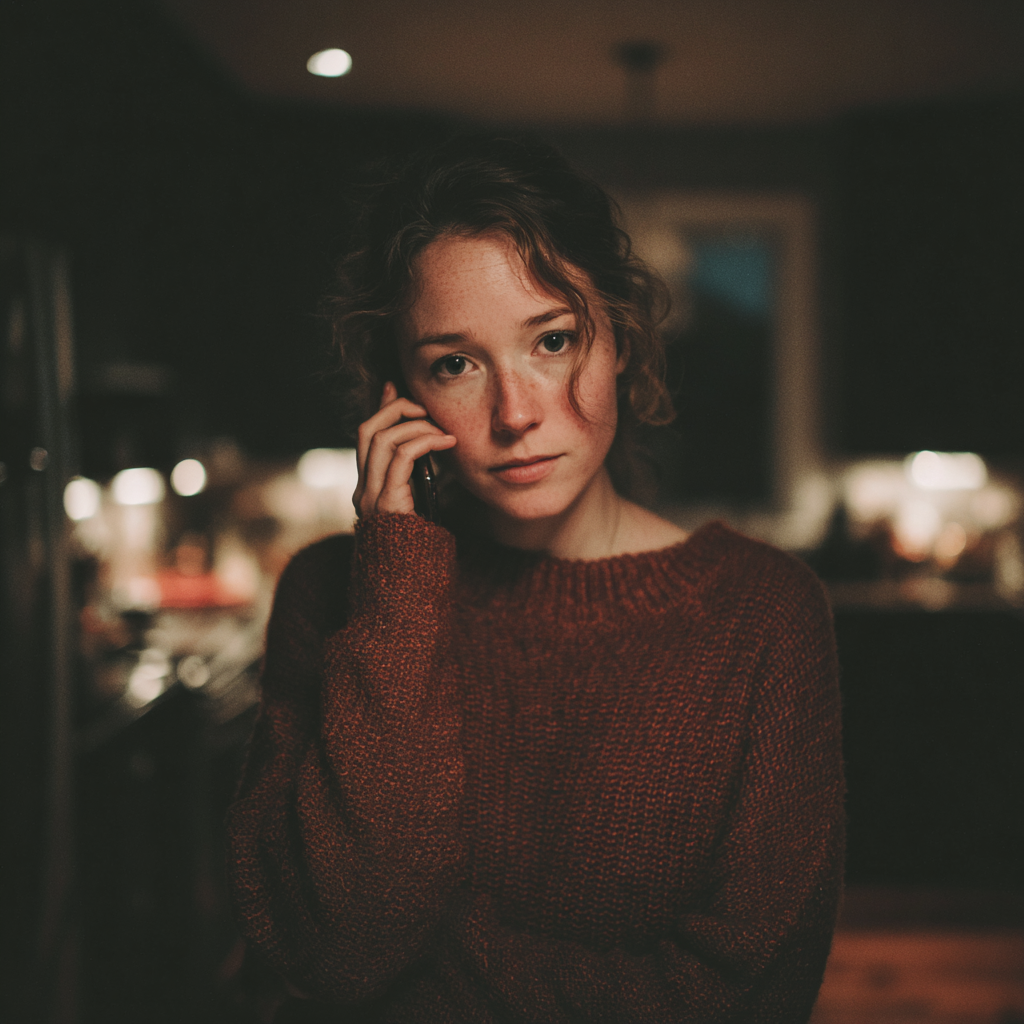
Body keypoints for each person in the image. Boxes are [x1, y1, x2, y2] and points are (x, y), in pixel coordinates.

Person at [225, 135, 844, 1023]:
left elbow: (753, 993)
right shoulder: (333, 592)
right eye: (455, 364)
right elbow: (344, 949)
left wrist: (421, 986)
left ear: (621, 339)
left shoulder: (763, 614)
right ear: (400, 392)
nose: (516, 415)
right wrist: (396, 580)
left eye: (551, 340)